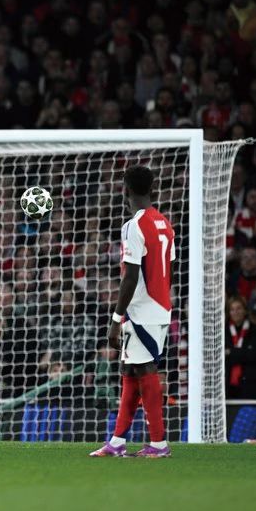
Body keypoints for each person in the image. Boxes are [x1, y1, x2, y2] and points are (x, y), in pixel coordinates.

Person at [91, 166, 175, 458]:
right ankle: (117, 441)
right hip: (158, 306)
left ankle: (159, 444)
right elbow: (168, 269)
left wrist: (116, 319)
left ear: (125, 189)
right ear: (151, 188)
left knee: (145, 370)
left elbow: (130, 276)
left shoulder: (133, 225)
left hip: (142, 310)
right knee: (129, 370)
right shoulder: (165, 224)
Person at [224, 296, 256, 399]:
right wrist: (242, 353)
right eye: (232, 309)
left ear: (245, 310)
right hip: (227, 385)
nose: (235, 312)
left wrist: (230, 352)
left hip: (250, 384)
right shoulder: (223, 332)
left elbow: (253, 355)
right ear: (228, 313)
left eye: (239, 308)